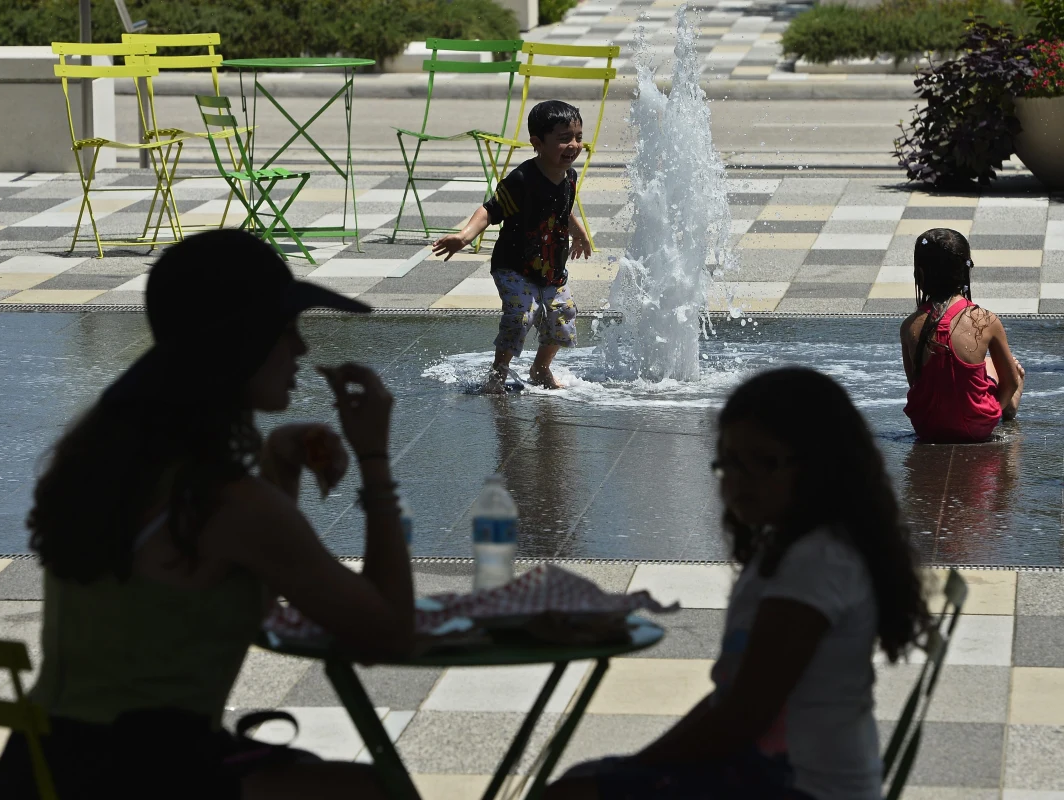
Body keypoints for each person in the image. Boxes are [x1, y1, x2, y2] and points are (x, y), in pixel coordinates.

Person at [0, 230, 413, 800]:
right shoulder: (229, 503)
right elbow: (390, 634)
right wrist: (375, 458)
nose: (302, 349)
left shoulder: (105, 453)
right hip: (141, 780)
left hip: (41, 769)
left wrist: (279, 464)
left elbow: (251, 603)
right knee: (375, 791)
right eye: (285, 330)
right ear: (243, 344)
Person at [546, 367, 930, 800]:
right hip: (771, 772)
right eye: (729, 462)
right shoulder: (788, 546)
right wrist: (636, 765)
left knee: (573, 793)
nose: (739, 480)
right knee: (583, 784)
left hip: (804, 787)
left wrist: (635, 769)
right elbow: (731, 698)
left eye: (764, 462)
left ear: (820, 466)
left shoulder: (815, 563)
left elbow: (744, 716)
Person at [431, 99, 593, 393]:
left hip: (550, 267)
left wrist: (579, 231)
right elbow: (490, 210)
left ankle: (541, 369)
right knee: (522, 314)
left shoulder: (568, 176)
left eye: (578, 137)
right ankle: (498, 374)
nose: (574, 145)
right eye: (564, 138)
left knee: (564, 313)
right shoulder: (522, 179)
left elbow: (562, 210)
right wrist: (464, 237)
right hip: (514, 265)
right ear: (537, 142)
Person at [900, 228, 1024, 443]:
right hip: (978, 426)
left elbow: (916, 384)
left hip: (927, 426)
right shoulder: (985, 320)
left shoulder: (909, 325)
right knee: (1004, 368)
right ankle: (1008, 408)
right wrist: (993, 413)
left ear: (919, 274)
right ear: (965, 272)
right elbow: (1011, 382)